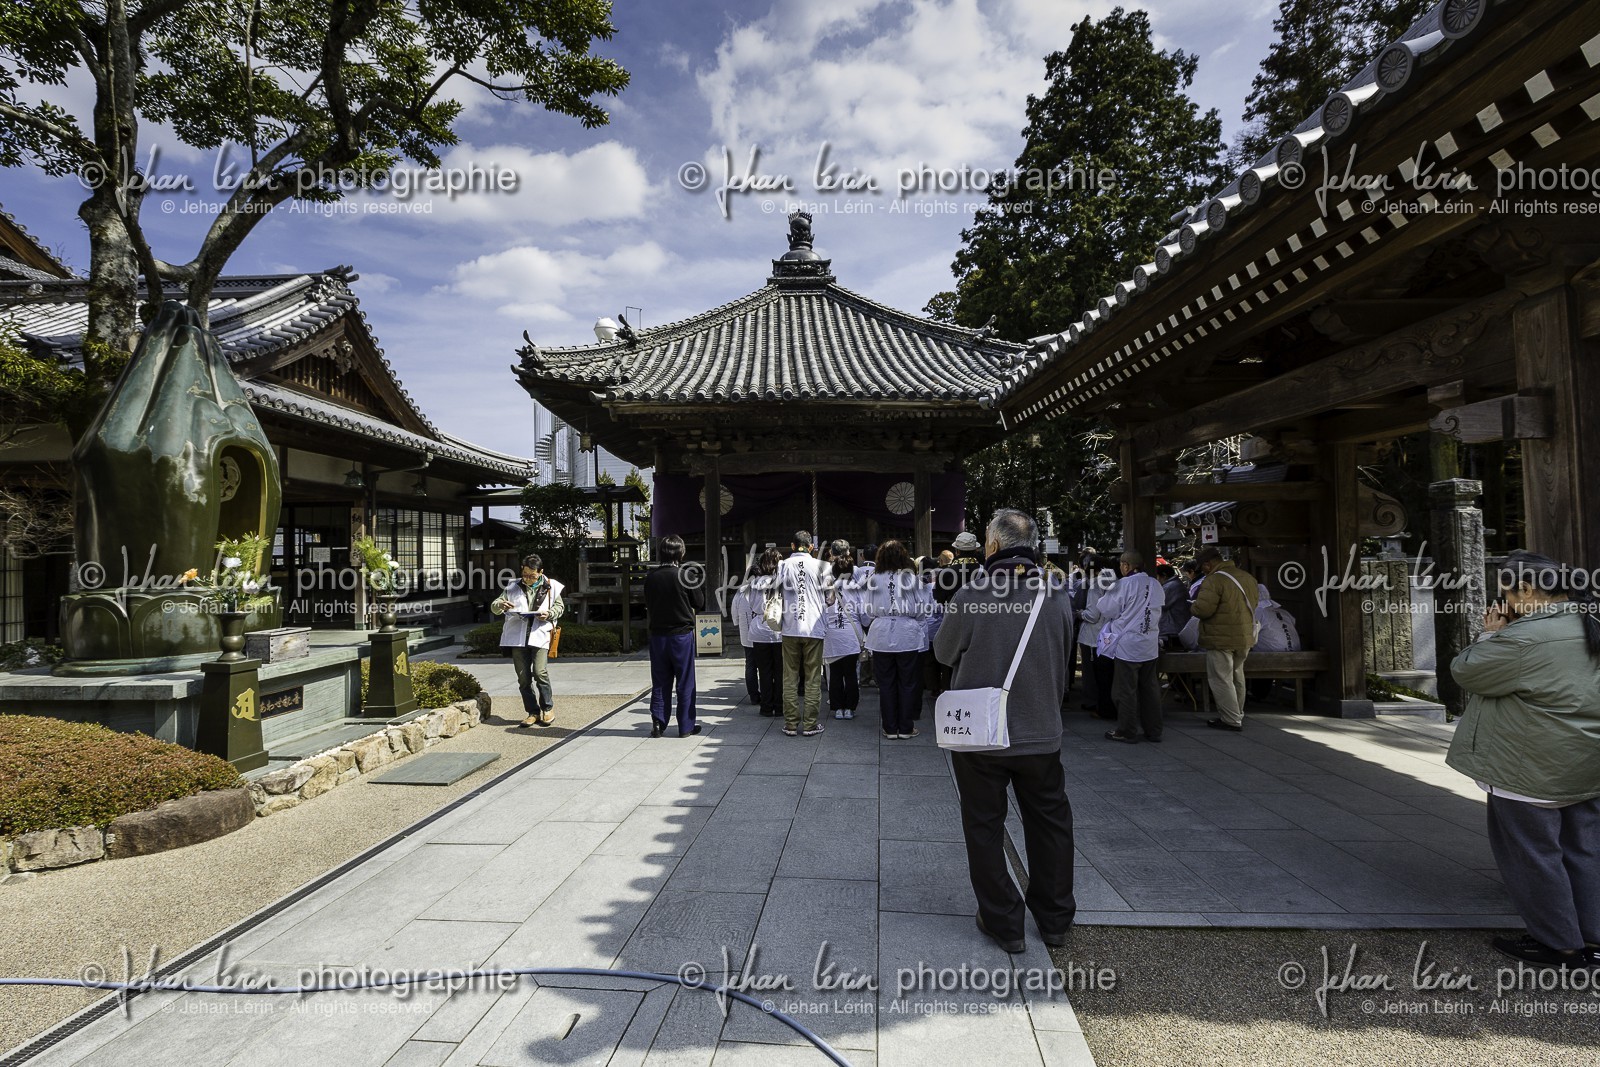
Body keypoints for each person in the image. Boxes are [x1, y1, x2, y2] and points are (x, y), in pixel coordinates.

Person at [1445, 551, 1600, 969]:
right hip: (1587, 759)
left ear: (1527, 590)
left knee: (1531, 854)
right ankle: (1593, 938)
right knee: (1584, 851)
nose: (1504, 602)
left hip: (1527, 764)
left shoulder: (1522, 638)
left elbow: (1469, 672)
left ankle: (1559, 944)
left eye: (1507, 593)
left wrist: (1490, 635)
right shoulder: (1592, 623)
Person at [934, 508, 1076, 953]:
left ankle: (1004, 921)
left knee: (983, 824)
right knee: (1050, 821)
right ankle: (1054, 919)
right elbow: (1066, 654)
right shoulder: (1056, 594)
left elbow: (942, 652)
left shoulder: (973, 593)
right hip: (1040, 729)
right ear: (1031, 546)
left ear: (992, 546)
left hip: (980, 735)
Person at [1087, 550, 1165, 743]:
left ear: (1127, 566)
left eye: (1122, 564)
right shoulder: (1155, 584)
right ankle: (1154, 730)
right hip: (1150, 643)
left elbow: (1105, 608)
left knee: (1125, 690)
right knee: (1150, 689)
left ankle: (1127, 730)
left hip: (1128, 645)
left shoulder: (1124, 584)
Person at [860, 540, 931, 739]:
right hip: (907, 633)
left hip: (881, 633)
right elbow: (922, 608)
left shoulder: (875, 579)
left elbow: (867, 609)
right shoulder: (911, 578)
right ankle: (906, 728)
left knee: (886, 683)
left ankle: (890, 727)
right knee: (908, 683)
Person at [1189, 546, 1259, 732]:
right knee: (1238, 676)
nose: (1202, 571)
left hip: (1220, 637)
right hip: (1244, 635)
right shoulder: (1247, 578)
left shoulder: (1214, 580)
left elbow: (1203, 609)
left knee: (1221, 678)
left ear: (1208, 563)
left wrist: (1193, 606)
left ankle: (1230, 719)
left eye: (1202, 567)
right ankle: (1237, 713)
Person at [490, 553, 565, 726]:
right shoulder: (512, 586)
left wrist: (550, 614)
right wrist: (500, 605)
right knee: (523, 678)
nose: (528, 579)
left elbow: (559, 607)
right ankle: (532, 712)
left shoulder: (552, 586)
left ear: (541, 572)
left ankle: (547, 708)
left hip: (540, 634)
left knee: (540, 672)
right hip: (517, 636)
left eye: (532, 576)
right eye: (525, 575)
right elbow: (495, 605)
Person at [643, 535, 706, 738]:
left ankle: (658, 722)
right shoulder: (685, 576)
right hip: (681, 635)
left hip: (658, 635)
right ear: (680, 553)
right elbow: (699, 603)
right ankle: (685, 726)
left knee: (660, 680)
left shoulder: (651, 577)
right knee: (685, 681)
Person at [772, 530, 832, 737]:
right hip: (814, 628)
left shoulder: (782, 565)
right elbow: (831, 598)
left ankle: (790, 724)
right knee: (813, 677)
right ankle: (810, 724)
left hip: (789, 628)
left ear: (792, 545)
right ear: (811, 547)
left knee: (789, 676)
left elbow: (774, 593)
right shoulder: (822, 566)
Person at [821, 540, 864, 720]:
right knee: (851, 673)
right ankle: (850, 708)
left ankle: (838, 707)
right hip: (852, 634)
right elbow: (864, 610)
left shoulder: (825, 576)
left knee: (836, 673)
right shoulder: (857, 578)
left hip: (831, 632)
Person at [743, 549, 785, 717]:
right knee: (780, 671)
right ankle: (780, 705)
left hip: (759, 628)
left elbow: (752, 604)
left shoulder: (756, 582)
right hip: (779, 628)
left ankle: (766, 706)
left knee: (764, 670)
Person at [1078, 557, 1118, 719]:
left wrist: (1080, 614)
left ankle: (1095, 703)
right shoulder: (1118, 583)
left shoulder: (1096, 585)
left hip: (1093, 635)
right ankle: (1108, 704)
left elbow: (1093, 615)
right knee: (1108, 675)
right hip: (1111, 633)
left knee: (1092, 674)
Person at [730, 565, 760, 705]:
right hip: (762, 634)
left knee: (750, 664)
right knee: (766, 665)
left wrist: (737, 622)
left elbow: (734, 613)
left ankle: (753, 696)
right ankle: (767, 693)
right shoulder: (762, 589)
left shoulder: (741, 591)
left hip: (746, 633)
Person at [1157, 563, 1191, 651]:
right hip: (1174, 626)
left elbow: (1159, 604)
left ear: (1163, 576)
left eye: (1157, 577)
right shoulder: (1174, 584)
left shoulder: (1171, 586)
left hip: (1174, 628)